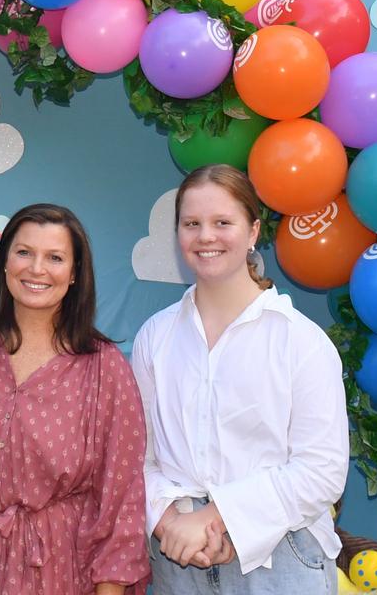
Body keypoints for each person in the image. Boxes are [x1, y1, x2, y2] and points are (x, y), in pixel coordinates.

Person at [131, 164, 349, 593]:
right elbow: (137, 457)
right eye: (191, 223)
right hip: (179, 560)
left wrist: (217, 518)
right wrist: (171, 523)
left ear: (252, 233)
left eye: (222, 223)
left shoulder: (301, 340)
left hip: (282, 558)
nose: (205, 236)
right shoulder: (155, 336)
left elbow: (321, 471)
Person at [0, 203, 152, 595]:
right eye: (24, 252)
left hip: (55, 569)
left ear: (75, 273)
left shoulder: (104, 368)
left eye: (55, 258)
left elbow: (122, 495)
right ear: (4, 261)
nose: (37, 269)